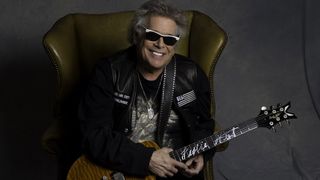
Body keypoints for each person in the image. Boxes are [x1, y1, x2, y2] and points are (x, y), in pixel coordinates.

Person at [78, 0, 215, 179]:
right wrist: (146, 159)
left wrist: (202, 153)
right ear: (137, 35)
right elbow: (94, 136)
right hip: (125, 170)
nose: (160, 44)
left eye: (169, 39)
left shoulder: (193, 75)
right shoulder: (108, 71)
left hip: (178, 171)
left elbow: (203, 124)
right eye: (152, 35)